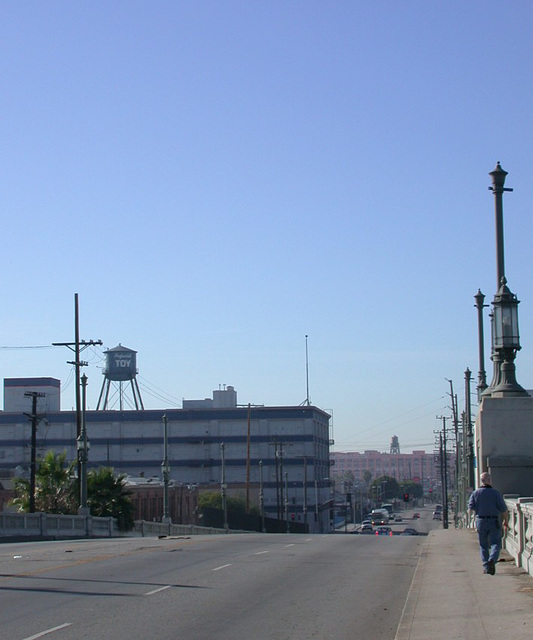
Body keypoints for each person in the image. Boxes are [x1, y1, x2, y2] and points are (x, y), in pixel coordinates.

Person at [468, 472, 509, 575]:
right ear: (489, 481)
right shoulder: (495, 493)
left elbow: (470, 508)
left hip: (481, 520)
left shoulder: (475, 493)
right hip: (493, 520)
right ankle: (492, 560)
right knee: (496, 543)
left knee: (483, 545)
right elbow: (504, 510)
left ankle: (486, 566)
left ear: (481, 481)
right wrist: (505, 521)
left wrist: (474, 520)